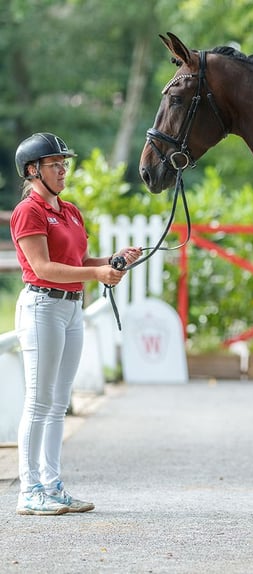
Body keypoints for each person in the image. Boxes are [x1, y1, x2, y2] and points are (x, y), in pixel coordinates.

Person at [11, 132, 141, 515]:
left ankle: (51, 484)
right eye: (55, 164)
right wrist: (99, 274)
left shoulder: (69, 211)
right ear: (33, 170)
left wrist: (111, 260)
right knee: (38, 401)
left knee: (57, 403)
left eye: (64, 163)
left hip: (71, 309)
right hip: (42, 308)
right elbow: (43, 267)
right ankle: (28, 490)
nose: (63, 170)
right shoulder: (28, 211)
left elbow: (79, 262)